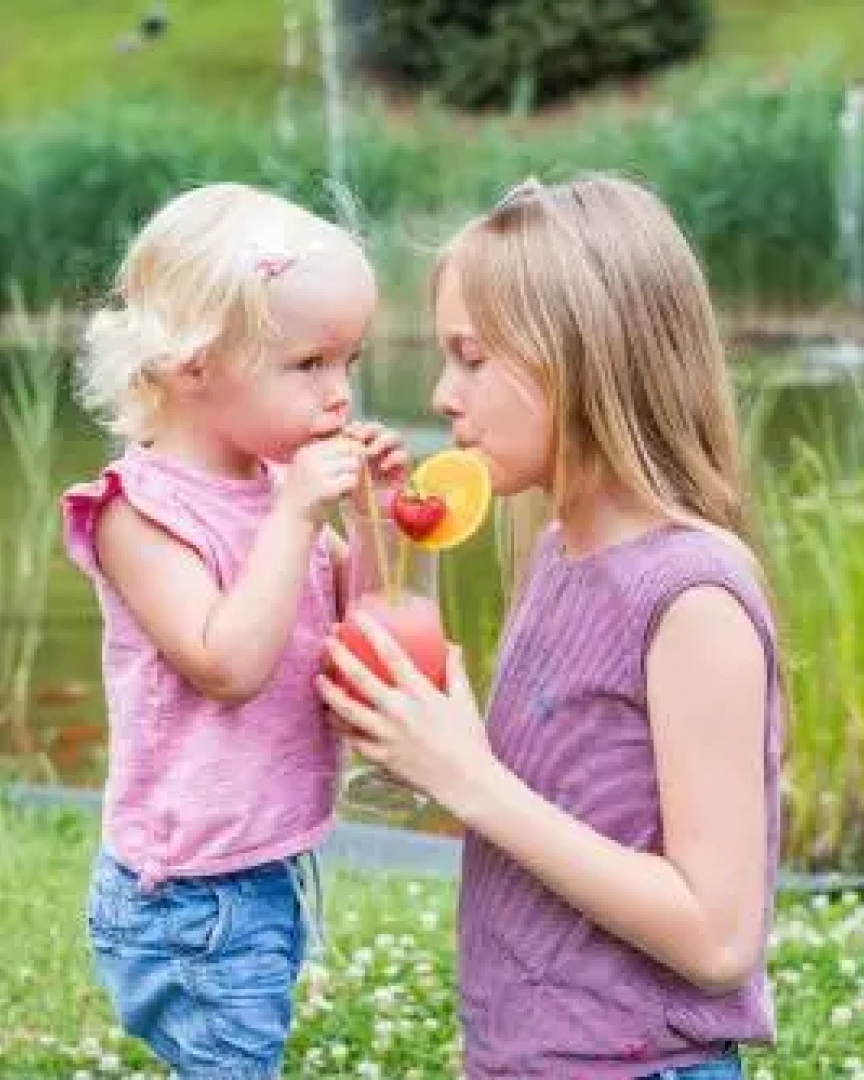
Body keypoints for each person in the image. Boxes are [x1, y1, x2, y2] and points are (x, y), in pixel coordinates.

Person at [321, 175, 783, 1079]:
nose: (444, 394)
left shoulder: (694, 595)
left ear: (585, 357)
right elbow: (552, 804)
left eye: (473, 358)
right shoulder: (563, 548)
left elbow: (719, 937)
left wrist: (468, 779)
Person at [60, 182, 407, 1079]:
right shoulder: (138, 512)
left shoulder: (270, 489)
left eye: (348, 363)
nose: (339, 396)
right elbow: (226, 663)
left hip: (257, 868)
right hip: (189, 896)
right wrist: (297, 517)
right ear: (192, 365)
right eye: (309, 365)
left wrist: (373, 519)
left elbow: (362, 625)